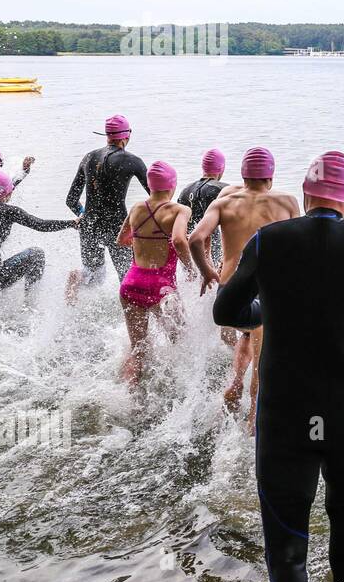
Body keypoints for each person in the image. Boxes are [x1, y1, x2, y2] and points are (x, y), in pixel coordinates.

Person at [213, 151, 344, 582]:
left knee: (286, 555)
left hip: (285, 410)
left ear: (305, 193)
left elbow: (227, 310)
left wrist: (271, 313)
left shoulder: (268, 241)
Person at [189, 147, 300, 429]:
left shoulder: (224, 200)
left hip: (231, 287)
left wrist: (207, 272)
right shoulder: (286, 202)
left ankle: (235, 383)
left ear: (241, 175)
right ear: (271, 175)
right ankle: (253, 417)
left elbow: (195, 238)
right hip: (266, 289)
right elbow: (301, 247)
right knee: (264, 355)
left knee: (247, 336)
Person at [116, 162, 193, 385]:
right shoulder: (180, 210)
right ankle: (180, 393)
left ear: (150, 186)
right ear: (173, 185)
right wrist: (190, 268)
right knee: (181, 341)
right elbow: (179, 240)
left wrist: (145, 244)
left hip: (130, 284)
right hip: (162, 287)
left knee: (138, 349)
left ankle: (130, 399)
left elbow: (122, 240)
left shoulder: (137, 208)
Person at [0, 172, 78, 318]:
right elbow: (41, 225)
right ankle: (30, 306)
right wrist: (71, 223)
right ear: (6, 193)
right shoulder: (8, 211)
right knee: (36, 254)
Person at [65, 115, 148, 295]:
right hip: (118, 228)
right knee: (126, 278)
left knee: (93, 277)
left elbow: (70, 199)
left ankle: (76, 280)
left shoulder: (89, 157)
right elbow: (156, 195)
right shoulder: (133, 160)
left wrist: (83, 213)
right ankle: (126, 320)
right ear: (127, 135)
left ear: (107, 135)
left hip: (88, 225)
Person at [178, 148, 228, 269]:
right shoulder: (221, 188)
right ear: (221, 168)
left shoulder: (185, 190)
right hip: (212, 250)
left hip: (191, 250)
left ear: (203, 168)